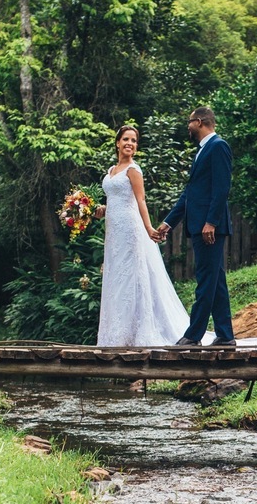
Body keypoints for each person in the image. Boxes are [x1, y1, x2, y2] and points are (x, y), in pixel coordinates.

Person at [93, 125, 191, 347]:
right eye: (126, 139)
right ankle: (115, 334)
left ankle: (139, 333)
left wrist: (149, 229)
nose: (130, 143)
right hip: (113, 233)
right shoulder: (111, 171)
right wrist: (101, 210)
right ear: (117, 143)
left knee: (133, 276)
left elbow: (140, 201)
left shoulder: (134, 170)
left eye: (134, 141)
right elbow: (115, 202)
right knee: (117, 277)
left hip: (130, 230)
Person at [157, 107, 236, 347]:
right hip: (201, 226)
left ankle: (193, 335)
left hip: (209, 228)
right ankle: (225, 335)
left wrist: (211, 222)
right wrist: (169, 222)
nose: (188, 126)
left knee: (205, 279)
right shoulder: (203, 151)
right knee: (215, 280)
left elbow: (222, 188)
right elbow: (190, 195)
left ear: (199, 122)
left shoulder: (218, 146)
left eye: (189, 122)